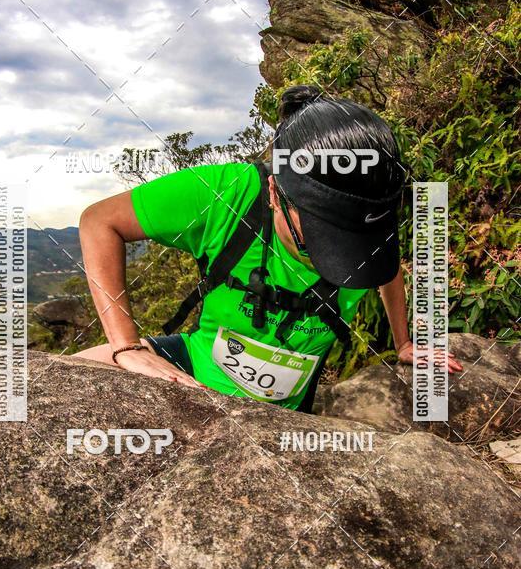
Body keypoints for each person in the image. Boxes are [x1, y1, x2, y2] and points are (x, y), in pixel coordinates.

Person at [74, 86, 462, 411]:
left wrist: (404, 343)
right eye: (321, 237)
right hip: (195, 365)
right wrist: (125, 346)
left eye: (354, 243)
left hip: (289, 405)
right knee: (62, 375)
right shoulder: (225, 193)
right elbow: (99, 221)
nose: (340, 255)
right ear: (275, 191)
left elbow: (386, 269)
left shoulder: (370, 221)